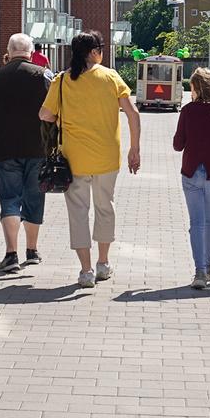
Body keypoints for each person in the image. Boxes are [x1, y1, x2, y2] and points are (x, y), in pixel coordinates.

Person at [39, 30, 141, 288]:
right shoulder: (111, 77)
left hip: (73, 160)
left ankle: (85, 271)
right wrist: (135, 149)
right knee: (105, 207)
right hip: (107, 156)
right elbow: (132, 113)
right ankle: (103, 263)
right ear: (94, 51)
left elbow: (45, 115)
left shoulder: (62, 80)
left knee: (78, 213)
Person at [0, 33, 53, 273]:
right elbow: (58, 107)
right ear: (31, 51)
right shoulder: (45, 76)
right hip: (38, 147)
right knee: (34, 197)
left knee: (10, 198)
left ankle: (11, 255)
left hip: (5, 149)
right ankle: (32, 252)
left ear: (8, 51)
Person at [172, 68, 210, 289]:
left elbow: (178, 144)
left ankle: (199, 272)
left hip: (191, 172)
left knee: (196, 223)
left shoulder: (188, 111)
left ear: (196, 87)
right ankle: (207, 267)